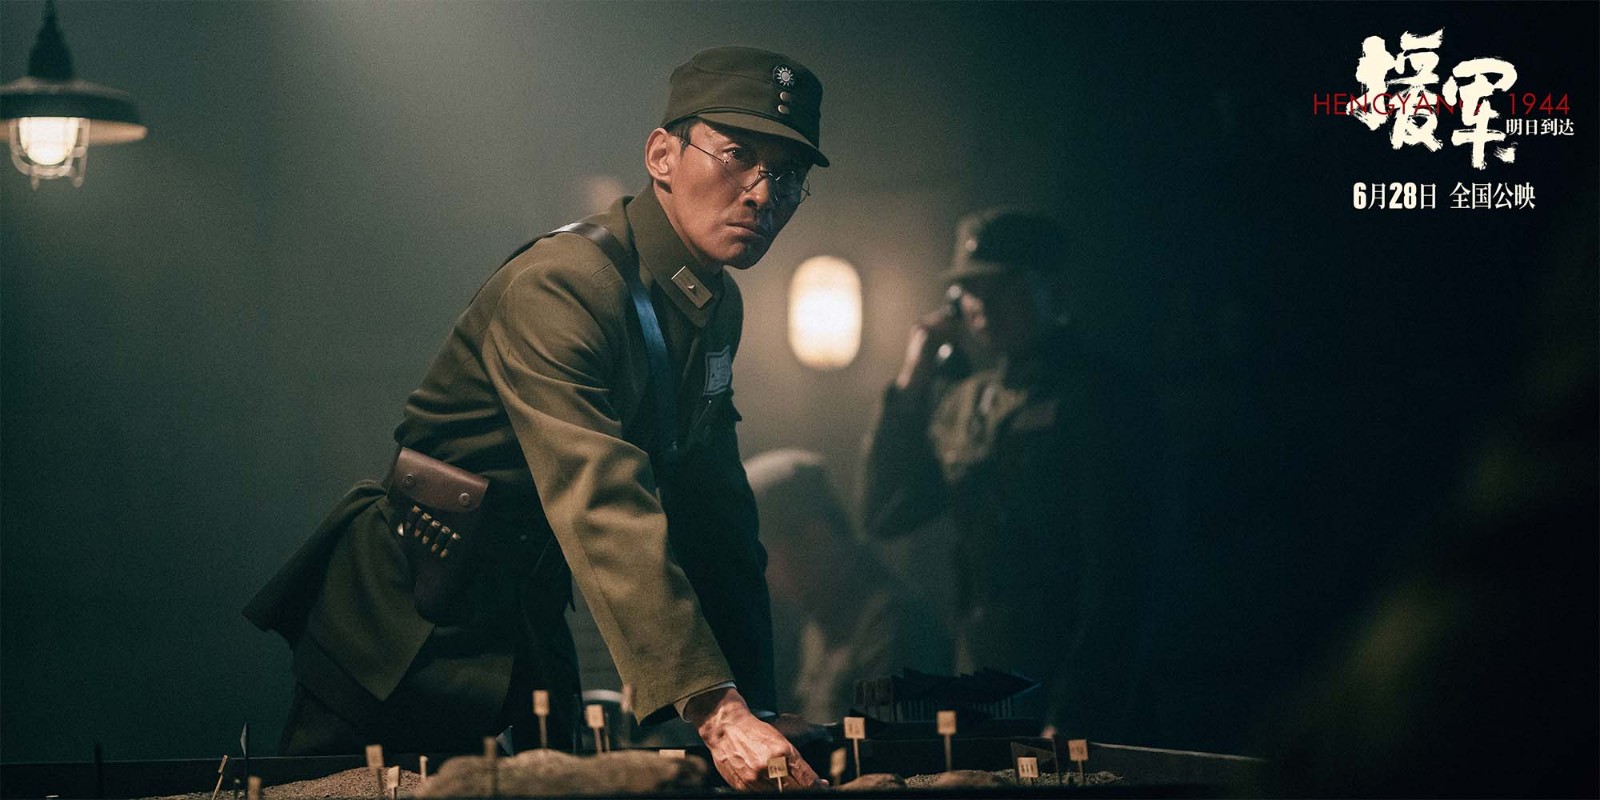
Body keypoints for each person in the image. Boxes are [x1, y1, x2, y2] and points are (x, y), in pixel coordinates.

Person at [244, 45, 828, 790]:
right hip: (401, 624)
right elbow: (600, 495)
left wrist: (755, 706)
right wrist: (717, 713)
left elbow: (718, 518)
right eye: (738, 154)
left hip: (524, 624)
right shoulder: (566, 283)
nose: (762, 191)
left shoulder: (713, 305)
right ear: (661, 155)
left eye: (787, 174)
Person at [858, 208, 1144, 738]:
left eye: (1004, 287)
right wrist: (914, 380)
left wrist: (1077, 710)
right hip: (985, 676)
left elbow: (1120, 573)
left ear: (1052, 289)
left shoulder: (1100, 397)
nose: (982, 304)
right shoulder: (965, 404)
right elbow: (885, 513)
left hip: (1072, 678)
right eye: (969, 289)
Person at [744, 449, 951, 723]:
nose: (762, 577)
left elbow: (884, 743)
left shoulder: (896, 627)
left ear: (813, 538)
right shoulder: (817, 626)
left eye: (763, 558)